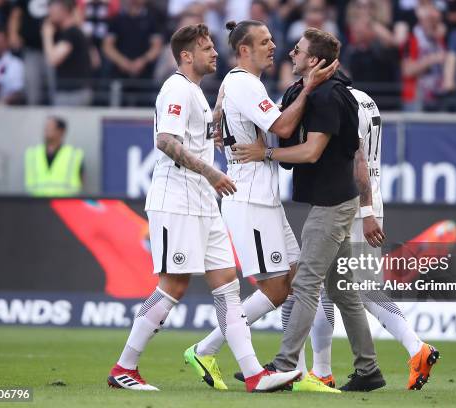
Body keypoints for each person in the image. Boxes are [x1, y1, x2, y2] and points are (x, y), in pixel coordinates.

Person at [107, 23, 300, 393]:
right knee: (173, 287)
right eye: (206, 48)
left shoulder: (194, 91)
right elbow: (166, 140)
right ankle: (124, 367)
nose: (214, 53)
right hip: (176, 201)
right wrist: (212, 172)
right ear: (186, 55)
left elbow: (200, 132)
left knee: (227, 287)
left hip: (204, 203)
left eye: (213, 46)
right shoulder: (176, 88)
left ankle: (255, 375)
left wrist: (220, 111)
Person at [182, 19, 339, 393]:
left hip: (265, 200)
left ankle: (300, 373)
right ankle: (205, 349)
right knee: (276, 289)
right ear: (244, 50)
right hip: (248, 200)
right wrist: (310, 87)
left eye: (272, 40)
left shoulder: (243, 85)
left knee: (302, 282)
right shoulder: (242, 83)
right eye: (265, 42)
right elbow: (283, 127)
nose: (273, 46)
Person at [233, 28, 386, 392]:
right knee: (343, 291)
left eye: (298, 51)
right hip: (330, 200)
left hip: (334, 205)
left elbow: (310, 152)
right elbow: (285, 132)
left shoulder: (330, 97)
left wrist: (264, 153)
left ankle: (285, 365)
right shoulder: (306, 92)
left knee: (304, 284)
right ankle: (368, 370)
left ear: (314, 61)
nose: (290, 53)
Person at [306, 86, 440, 390]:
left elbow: (357, 156)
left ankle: (322, 371)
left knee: (325, 286)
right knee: (364, 289)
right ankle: (416, 348)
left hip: (348, 201)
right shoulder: (366, 98)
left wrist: (363, 209)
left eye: (300, 53)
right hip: (370, 199)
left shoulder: (336, 100)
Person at [102, 0, 162, 106]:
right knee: (117, 108)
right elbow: (107, 46)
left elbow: (156, 46)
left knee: (145, 109)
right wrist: (123, 62)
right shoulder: (117, 19)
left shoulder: (152, 19)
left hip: (145, 74)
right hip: (119, 73)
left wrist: (142, 61)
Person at [42, 0, 92, 106]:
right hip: (71, 92)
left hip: (73, 94)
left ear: (64, 11)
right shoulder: (69, 32)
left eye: (52, 9)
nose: (49, 13)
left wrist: (47, 35)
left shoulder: (71, 33)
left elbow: (53, 60)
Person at [25, 116, 84, 196]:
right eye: (45, 128)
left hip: (64, 204)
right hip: (37, 203)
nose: (46, 131)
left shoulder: (74, 155)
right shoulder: (32, 154)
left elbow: (81, 180)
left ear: (61, 131)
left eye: (50, 128)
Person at [0, 25, 25, 105]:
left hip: (9, 108)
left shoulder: (16, 64)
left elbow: (18, 91)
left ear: (6, 42)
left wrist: (3, 101)